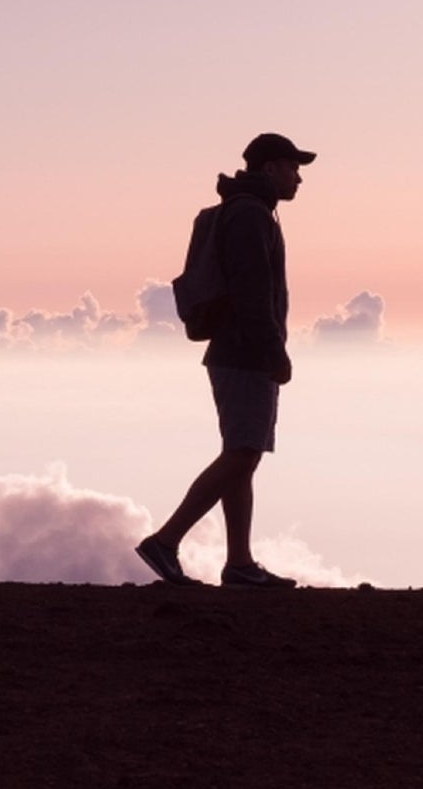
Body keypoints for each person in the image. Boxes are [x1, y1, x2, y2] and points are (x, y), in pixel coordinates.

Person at [135, 132, 314, 588]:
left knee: (242, 454)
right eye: (293, 167)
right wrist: (275, 351)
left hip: (235, 351)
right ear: (270, 168)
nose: (298, 178)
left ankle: (239, 564)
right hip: (245, 353)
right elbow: (253, 292)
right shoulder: (251, 216)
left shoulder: (251, 212)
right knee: (243, 452)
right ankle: (166, 541)